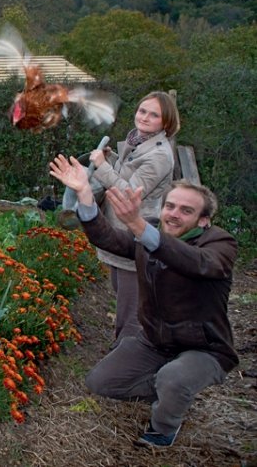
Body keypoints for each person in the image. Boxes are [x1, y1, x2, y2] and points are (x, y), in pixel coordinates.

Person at [49, 155, 238, 448]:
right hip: (155, 340)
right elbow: (110, 239)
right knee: (100, 383)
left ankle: (163, 427)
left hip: (204, 347)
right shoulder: (150, 233)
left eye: (186, 211)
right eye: (170, 206)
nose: (173, 214)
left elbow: (199, 264)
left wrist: (138, 226)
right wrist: (85, 194)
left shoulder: (218, 244)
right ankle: (171, 390)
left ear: (203, 220)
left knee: (174, 379)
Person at [89, 91, 179, 345]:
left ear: (166, 122)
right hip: (121, 231)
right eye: (142, 111)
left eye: (154, 115)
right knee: (123, 295)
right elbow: (129, 174)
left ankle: (126, 361)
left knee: (130, 310)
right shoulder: (138, 141)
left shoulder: (160, 154)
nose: (145, 117)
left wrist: (101, 166)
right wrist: (112, 160)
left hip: (136, 234)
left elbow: (130, 193)